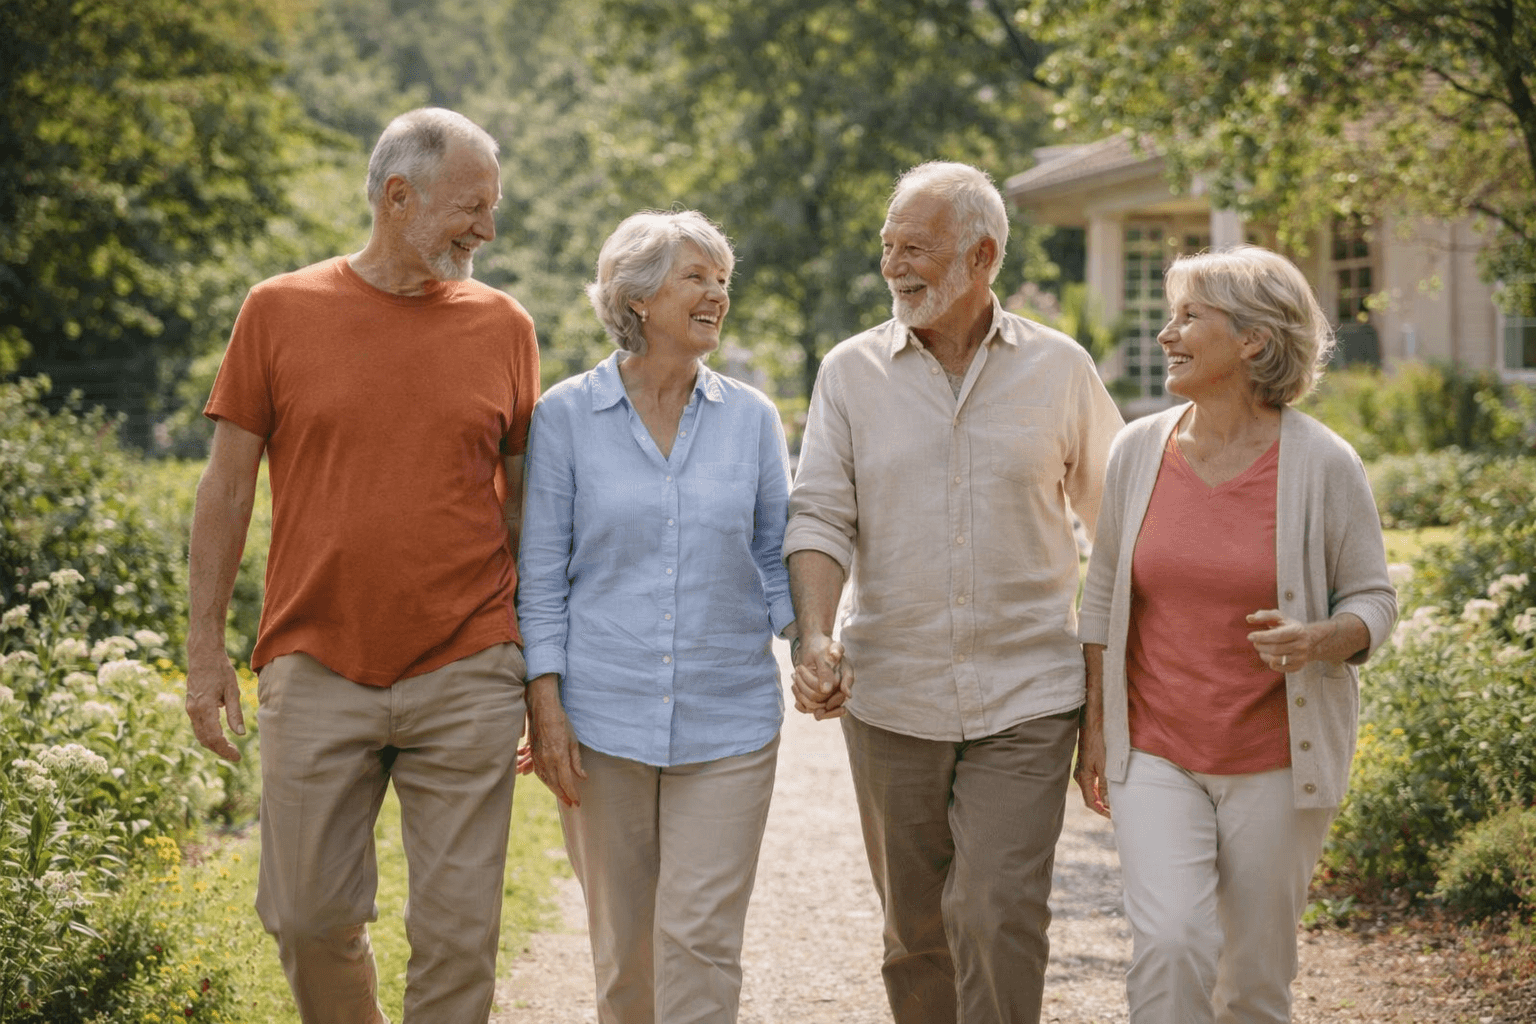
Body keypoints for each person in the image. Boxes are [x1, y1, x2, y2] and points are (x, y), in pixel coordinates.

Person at [184, 108, 539, 1024]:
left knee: (459, 935)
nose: (487, 232)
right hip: (314, 658)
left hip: (468, 662)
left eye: (491, 210)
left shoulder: (505, 326)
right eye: (471, 208)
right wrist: (204, 653)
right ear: (397, 196)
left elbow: (526, 507)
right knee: (305, 916)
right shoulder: (278, 310)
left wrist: (538, 669)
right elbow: (224, 491)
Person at [785, 161, 1124, 1024]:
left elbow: (1123, 527)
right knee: (916, 931)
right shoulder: (850, 373)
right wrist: (815, 634)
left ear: (983, 256)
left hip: (1028, 694)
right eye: (888, 246)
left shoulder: (1060, 369)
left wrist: (1107, 696)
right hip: (891, 693)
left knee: (999, 909)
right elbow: (821, 514)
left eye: (918, 249)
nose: (896, 266)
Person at [1073, 245, 1398, 1024]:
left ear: (1253, 339)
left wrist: (1323, 638)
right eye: (1169, 315)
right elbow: (1106, 593)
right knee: (1173, 941)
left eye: (1189, 317)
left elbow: (1375, 600)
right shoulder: (1137, 451)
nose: (1166, 335)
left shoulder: (1323, 462)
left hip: (1277, 757)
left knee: (1255, 979)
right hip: (1156, 748)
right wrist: (1095, 725)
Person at [517, 210, 797, 1024]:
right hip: (603, 721)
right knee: (624, 951)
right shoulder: (565, 417)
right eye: (696, 277)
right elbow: (541, 579)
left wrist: (813, 641)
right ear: (636, 298)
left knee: (703, 942)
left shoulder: (751, 418)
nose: (717, 295)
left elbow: (777, 555)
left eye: (723, 281)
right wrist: (548, 706)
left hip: (730, 717)